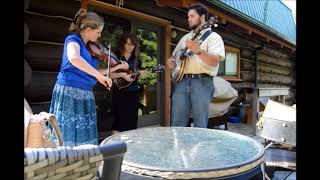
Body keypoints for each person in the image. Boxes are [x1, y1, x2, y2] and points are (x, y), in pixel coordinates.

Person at [49, 9, 128, 146]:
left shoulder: (89, 48)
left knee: (83, 139)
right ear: (88, 29)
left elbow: (92, 71)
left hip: (85, 93)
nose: (100, 35)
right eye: (98, 32)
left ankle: (83, 164)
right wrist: (98, 75)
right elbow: (74, 58)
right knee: (67, 136)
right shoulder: (73, 40)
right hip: (70, 91)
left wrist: (115, 69)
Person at [168, 3, 225, 128]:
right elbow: (175, 56)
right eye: (188, 16)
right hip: (181, 82)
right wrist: (171, 61)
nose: (188, 18)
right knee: (177, 121)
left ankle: (199, 148)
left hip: (202, 82)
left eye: (192, 16)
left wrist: (198, 51)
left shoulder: (214, 38)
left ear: (203, 17)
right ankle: (177, 147)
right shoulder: (185, 38)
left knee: (199, 123)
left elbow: (215, 61)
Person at [110, 32, 142, 133]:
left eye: (133, 44)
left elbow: (137, 78)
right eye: (128, 44)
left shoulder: (137, 59)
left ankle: (129, 146)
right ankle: (114, 146)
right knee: (118, 122)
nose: (130, 47)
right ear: (123, 43)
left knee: (131, 122)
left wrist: (139, 75)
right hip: (118, 92)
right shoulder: (115, 57)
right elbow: (108, 74)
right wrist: (121, 75)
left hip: (133, 94)